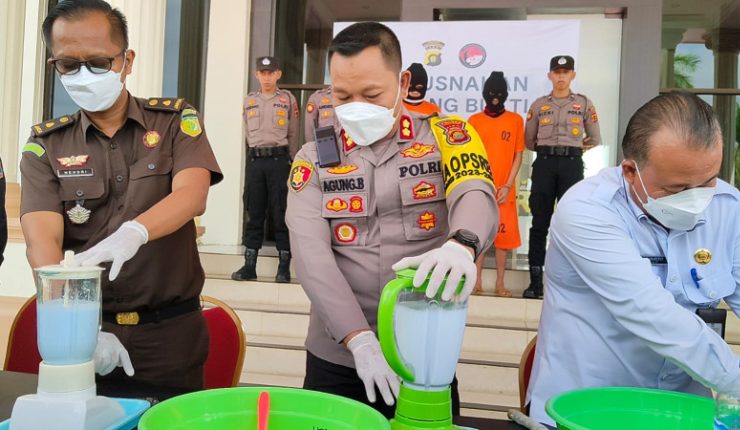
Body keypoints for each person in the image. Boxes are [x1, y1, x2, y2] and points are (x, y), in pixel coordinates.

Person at [286, 22, 498, 419]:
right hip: (338, 356)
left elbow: (474, 191)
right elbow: (311, 255)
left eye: (371, 95)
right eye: (342, 95)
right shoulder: (313, 158)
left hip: (424, 353)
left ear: (402, 83)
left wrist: (462, 244)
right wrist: (358, 339)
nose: (356, 106)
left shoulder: (446, 137)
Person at [20, 0, 222, 396]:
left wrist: (136, 232)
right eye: (68, 65)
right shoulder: (45, 145)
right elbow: (42, 240)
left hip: (170, 334)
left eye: (98, 63)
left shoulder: (174, 123)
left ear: (126, 61)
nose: (84, 75)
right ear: (54, 65)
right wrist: (78, 328)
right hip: (89, 333)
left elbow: (192, 194)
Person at [526, 92, 740, 426]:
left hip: (681, 413)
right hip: (585, 412)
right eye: (678, 189)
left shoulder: (729, 207)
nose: (698, 199)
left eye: (708, 182)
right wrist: (739, 384)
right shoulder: (587, 210)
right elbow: (651, 313)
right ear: (631, 171)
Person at [522, 55, 601, 299]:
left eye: (565, 72)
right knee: (539, 223)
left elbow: (595, 138)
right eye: (557, 72)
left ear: (573, 75)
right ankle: (536, 282)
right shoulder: (538, 105)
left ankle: (570, 281)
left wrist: (573, 149)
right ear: (550, 75)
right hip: (545, 165)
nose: (561, 77)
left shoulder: (584, 104)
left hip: (571, 166)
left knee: (571, 223)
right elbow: (529, 140)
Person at [232, 56, 299, 283]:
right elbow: (247, 133)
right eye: (263, 73)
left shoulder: (287, 99)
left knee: (281, 211)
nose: (267, 77)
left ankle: (284, 267)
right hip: (256, 162)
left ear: (278, 74)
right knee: (254, 211)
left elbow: (293, 133)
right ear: (257, 75)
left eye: (271, 73)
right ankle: (249, 265)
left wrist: (292, 161)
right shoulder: (249, 101)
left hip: (279, 161)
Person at [468, 71, 524, 297]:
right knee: (479, 237)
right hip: (482, 189)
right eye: (491, 93)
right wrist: (480, 184)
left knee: (503, 241)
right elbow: (471, 156)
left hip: (504, 191)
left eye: (500, 93)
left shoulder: (515, 121)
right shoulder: (474, 121)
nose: (495, 97)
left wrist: (508, 185)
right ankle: (476, 281)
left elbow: (518, 155)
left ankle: (501, 283)